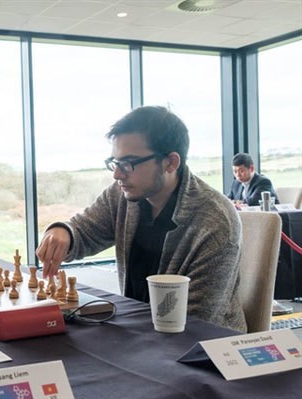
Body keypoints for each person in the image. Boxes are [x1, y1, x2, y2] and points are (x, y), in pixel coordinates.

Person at [36, 106, 246, 332]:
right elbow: (84, 231)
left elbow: (195, 322)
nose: (117, 174)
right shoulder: (123, 194)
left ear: (170, 162)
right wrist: (63, 232)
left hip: (201, 351)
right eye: (114, 163)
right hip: (141, 331)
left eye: (128, 163)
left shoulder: (215, 222)